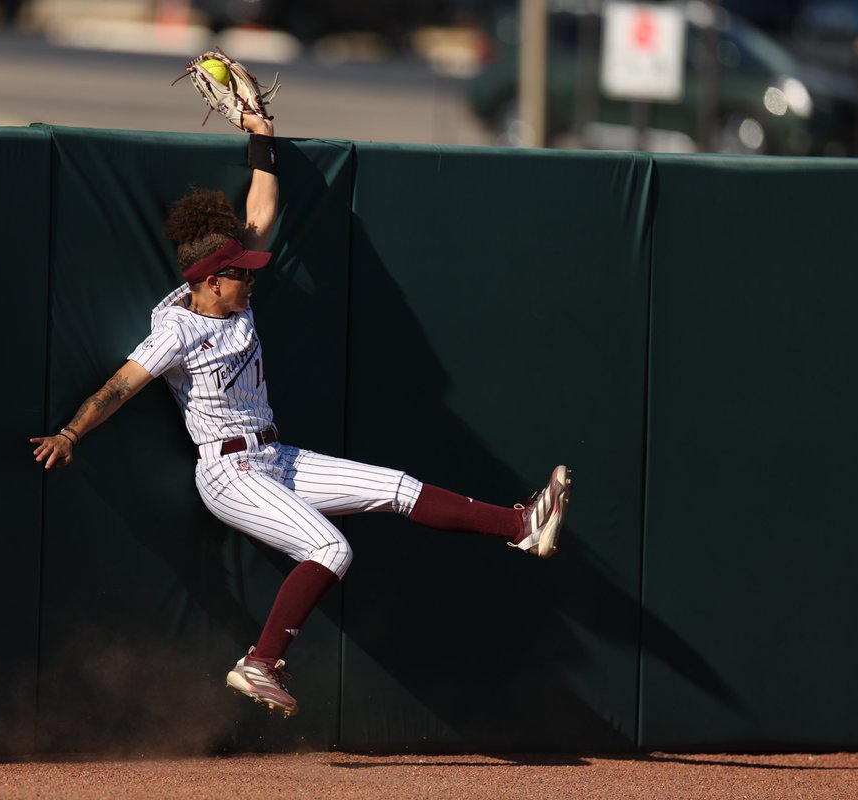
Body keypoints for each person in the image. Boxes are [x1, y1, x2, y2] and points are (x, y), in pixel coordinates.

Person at [30, 113, 572, 719]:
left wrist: (261, 134)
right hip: (228, 472)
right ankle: (259, 663)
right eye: (242, 273)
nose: (252, 277)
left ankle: (520, 526)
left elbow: (261, 212)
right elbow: (119, 387)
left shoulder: (233, 297)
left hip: (274, 455)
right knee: (331, 549)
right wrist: (71, 432)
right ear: (212, 281)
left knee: (397, 487)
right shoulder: (177, 329)